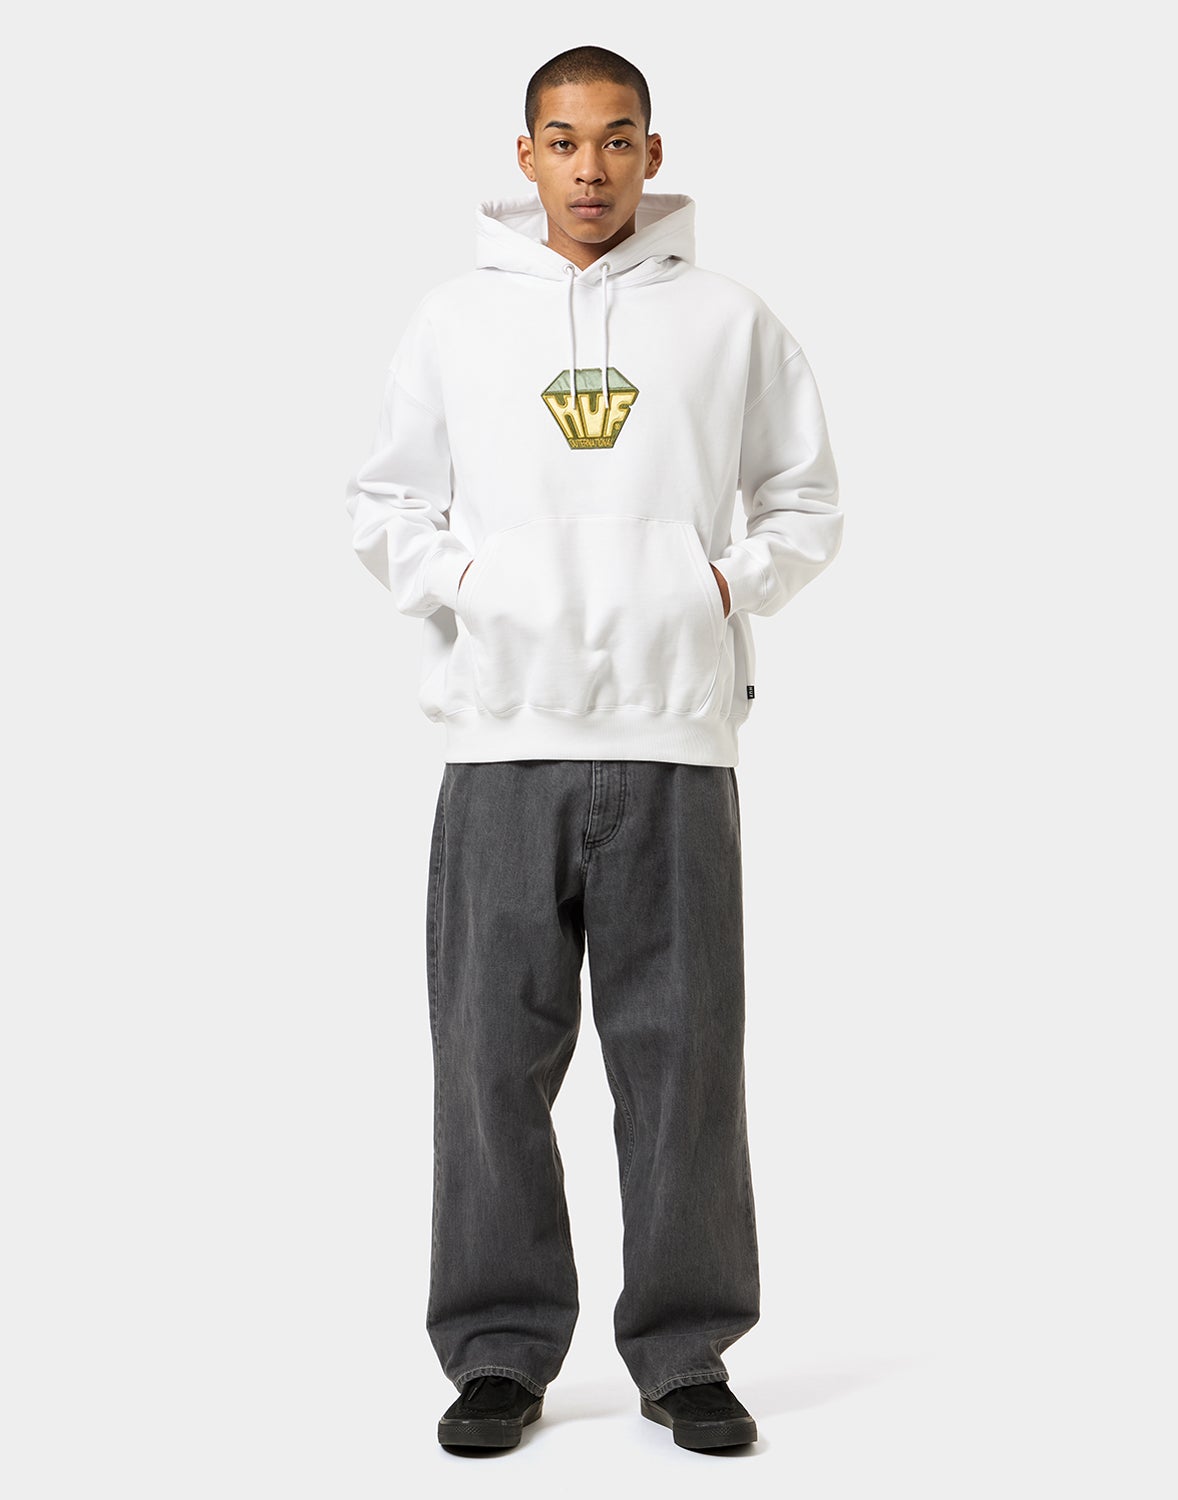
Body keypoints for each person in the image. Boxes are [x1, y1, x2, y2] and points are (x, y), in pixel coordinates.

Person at [345, 45, 843, 1453]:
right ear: (526, 156)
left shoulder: (729, 322)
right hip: (501, 741)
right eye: (564, 142)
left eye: (617, 140)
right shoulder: (454, 322)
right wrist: (478, 585)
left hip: (676, 739)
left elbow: (805, 499)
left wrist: (718, 587)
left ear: (652, 153)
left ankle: (685, 1352)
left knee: (683, 1063)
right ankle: (499, 1351)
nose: (590, 168)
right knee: (487, 1064)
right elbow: (385, 505)